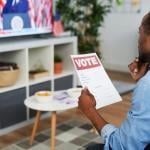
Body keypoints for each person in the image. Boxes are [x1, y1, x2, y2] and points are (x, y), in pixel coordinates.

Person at [78, 11, 150, 150]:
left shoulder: (147, 85)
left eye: (140, 32)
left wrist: (89, 110)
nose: (138, 40)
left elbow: (121, 146)